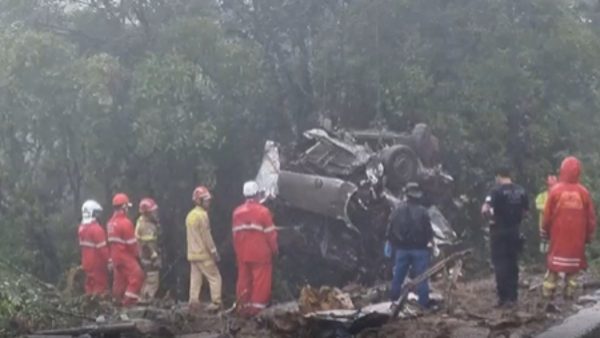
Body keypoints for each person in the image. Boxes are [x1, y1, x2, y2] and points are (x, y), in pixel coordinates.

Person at [542, 157, 596, 301]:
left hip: (558, 235)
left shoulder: (555, 191)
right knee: (573, 267)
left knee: (554, 265)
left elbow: (547, 214)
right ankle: (569, 294)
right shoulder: (584, 192)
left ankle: (548, 295)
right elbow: (591, 217)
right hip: (577, 237)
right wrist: (589, 235)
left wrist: (545, 230)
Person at [481, 166, 528, 308]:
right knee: (513, 264)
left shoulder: (496, 191)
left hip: (499, 232)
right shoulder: (521, 191)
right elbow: (525, 213)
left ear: (498, 176)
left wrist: (490, 218)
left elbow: (485, 209)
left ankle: (503, 298)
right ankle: (513, 297)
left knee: (500, 265)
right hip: (514, 231)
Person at [232, 181, 278, 316]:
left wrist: (237, 252)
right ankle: (257, 311)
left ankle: (242, 309)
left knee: (243, 280)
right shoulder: (263, 212)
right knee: (261, 281)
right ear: (258, 194)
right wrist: (275, 250)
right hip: (260, 254)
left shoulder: (236, 213)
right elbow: (271, 235)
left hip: (242, 254)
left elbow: (235, 236)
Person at [386, 182, 433, 308]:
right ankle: (424, 304)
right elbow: (429, 232)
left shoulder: (397, 210)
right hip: (420, 250)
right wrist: (430, 245)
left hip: (402, 250)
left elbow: (390, 229)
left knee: (398, 277)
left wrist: (391, 244)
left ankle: (393, 302)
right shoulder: (423, 212)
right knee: (421, 277)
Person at [186, 186, 222, 311]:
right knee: (215, 277)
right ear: (198, 201)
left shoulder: (190, 215)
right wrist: (214, 252)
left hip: (192, 254)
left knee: (195, 279)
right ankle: (216, 303)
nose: (208, 203)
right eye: (206, 200)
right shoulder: (202, 215)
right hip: (203, 254)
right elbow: (207, 236)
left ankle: (193, 301)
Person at [107, 193, 144, 306]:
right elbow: (131, 244)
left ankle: (116, 302)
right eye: (127, 207)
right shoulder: (125, 223)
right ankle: (128, 302)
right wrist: (138, 256)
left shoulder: (110, 223)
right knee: (137, 275)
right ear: (124, 207)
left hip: (115, 257)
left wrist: (110, 259)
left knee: (120, 280)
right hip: (124, 255)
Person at [78, 200, 110, 296]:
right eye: (97, 213)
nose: (98, 216)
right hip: (97, 263)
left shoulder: (81, 228)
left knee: (89, 285)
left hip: (86, 262)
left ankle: (88, 306)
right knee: (100, 286)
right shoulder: (97, 229)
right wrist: (109, 261)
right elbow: (102, 249)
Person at [135, 198, 161, 301]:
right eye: (153, 211)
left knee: (145, 281)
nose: (155, 213)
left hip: (142, 257)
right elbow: (149, 243)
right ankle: (146, 301)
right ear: (148, 213)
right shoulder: (148, 226)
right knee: (152, 281)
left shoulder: (140, 220)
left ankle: (142, 299)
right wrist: (155, 257)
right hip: (148, 257)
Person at [535, 176, 557, 253]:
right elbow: (538, 205)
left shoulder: (559, 196)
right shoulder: (542, 195)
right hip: (544, 225)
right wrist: (548, 209)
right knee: (543, 243)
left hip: (555, 225)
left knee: (552, 244)